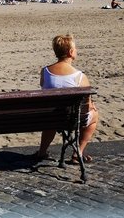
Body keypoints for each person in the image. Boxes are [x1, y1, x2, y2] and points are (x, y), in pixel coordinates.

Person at [34, 35, 98, 164]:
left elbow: (43, 89)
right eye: (75, 48)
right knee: (94, 116)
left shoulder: (45, 71)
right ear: (70, 52)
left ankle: (42, 151)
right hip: (71, 119)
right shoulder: (79, 76)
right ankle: (78, 152)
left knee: (51, 118)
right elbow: (88, 105)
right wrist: (93, 108)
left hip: (50, 117)